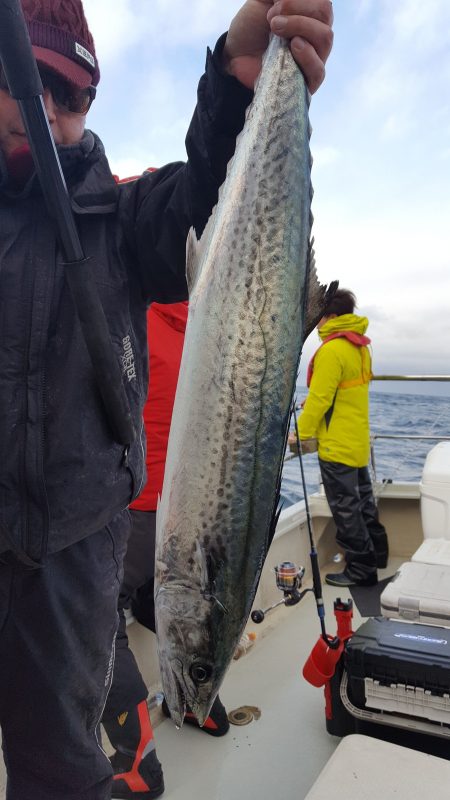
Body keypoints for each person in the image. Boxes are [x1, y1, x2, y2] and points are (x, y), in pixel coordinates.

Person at [0, 0, 334, 797]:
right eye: (28, 77)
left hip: (70, 558)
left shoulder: (116, 218)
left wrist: (244, 79)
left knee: (61, 767)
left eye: (71, 95)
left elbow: (201, 197)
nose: (49, 107)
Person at [102, 302, 229, 800]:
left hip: (133, 504)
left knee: (98, 619)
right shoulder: (203, 326)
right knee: (157, 602)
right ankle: (202, 700)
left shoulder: (132, 319)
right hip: (184, 512)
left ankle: (137, 762)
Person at [291, 289, 388, 588]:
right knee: (364, 504)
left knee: (346, 509)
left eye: (319, 315)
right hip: (356, 441)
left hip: (336, 445)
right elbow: (344, 394)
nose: (316, 322)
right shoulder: (359, 348)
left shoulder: (332, 351)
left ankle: (361, 569)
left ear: (331, 317)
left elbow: (320, 399)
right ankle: (378, 555)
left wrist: (300, 434)